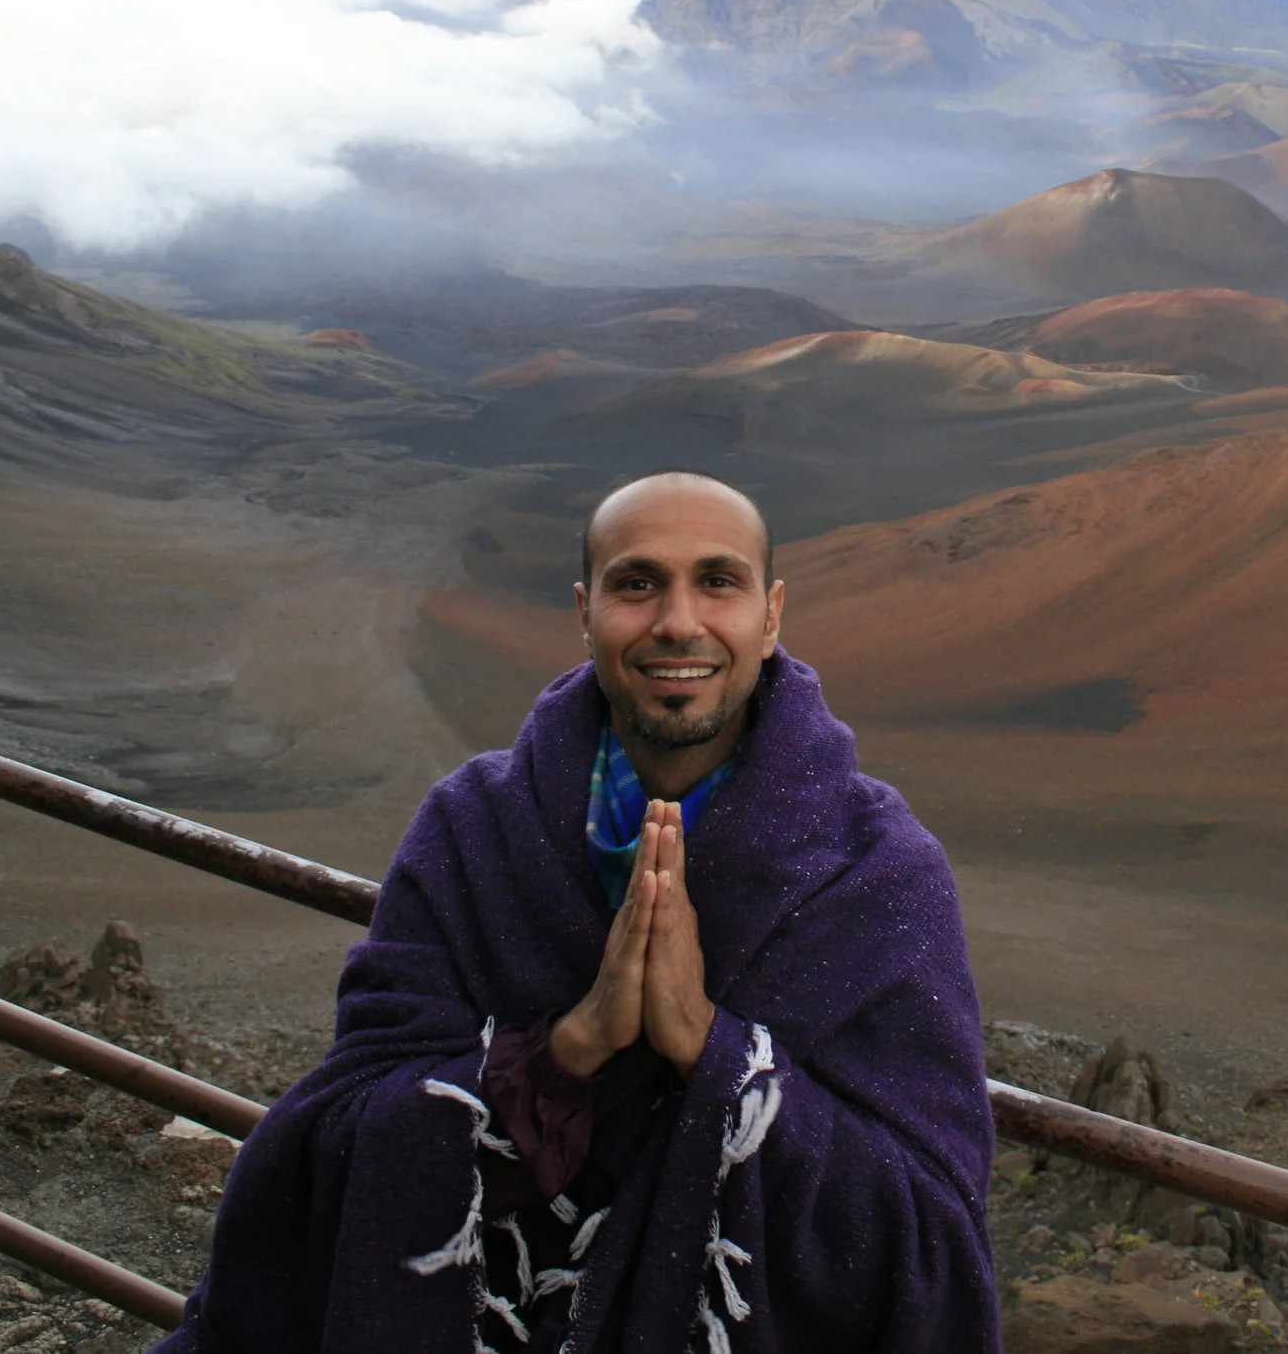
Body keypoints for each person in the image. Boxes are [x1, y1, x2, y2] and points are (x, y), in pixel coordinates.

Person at [155, 470, 1000, 1353]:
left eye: (719, 581)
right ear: (585, 612)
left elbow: (930, 1222)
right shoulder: (477, 825)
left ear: (772, 613)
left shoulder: (874, 867)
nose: (678, 621)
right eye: (636, 583)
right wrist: (568, 1049)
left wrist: (712, 1049)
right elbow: (342, 1123)